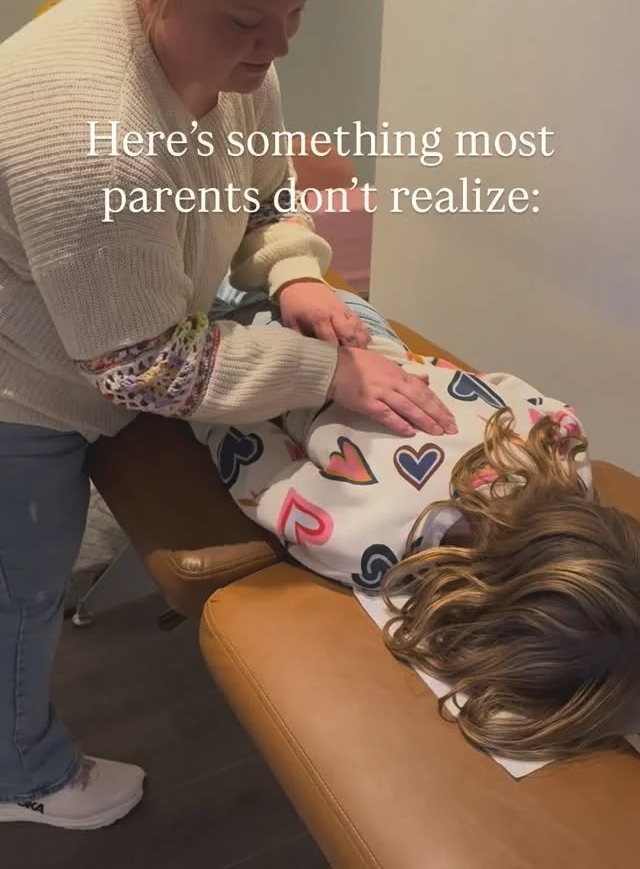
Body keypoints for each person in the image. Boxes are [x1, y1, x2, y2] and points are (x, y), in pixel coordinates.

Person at [0, 0, 458, 829]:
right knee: (19, 589)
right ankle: (20, 772)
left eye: (294, 15)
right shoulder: (93, 132)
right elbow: (141, 369)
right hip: (20, 378)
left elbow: (263, 191)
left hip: (109, 331)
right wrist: (328, 370)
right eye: (250, 23)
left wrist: (297, 274)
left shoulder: (235, 50)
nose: (277, 47)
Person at [196, 289, 640, 764]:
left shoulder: (560, 438)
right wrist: (203, 411)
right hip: (258, 358)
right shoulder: (364, 538)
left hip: (355, 326)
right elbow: (251, 455)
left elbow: (485, 384)